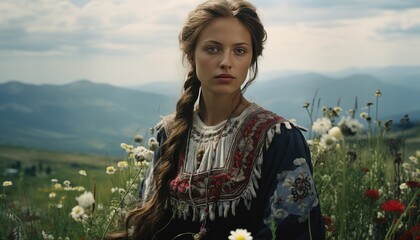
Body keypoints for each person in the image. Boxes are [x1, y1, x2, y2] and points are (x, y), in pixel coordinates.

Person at [112, 0, 325, 239]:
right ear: (191, 56)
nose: (226, 61)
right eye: (213, 49)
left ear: (252, 59)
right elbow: (144, 227)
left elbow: (296, 231)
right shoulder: (170, 133)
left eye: (239, 50)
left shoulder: (278, 138)